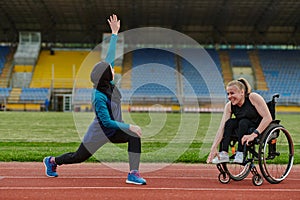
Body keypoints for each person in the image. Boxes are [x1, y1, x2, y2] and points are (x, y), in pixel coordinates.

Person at [43, 14, 146, 185]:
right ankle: (52, 161)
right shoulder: (98, 96)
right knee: (78, 157)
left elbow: (110, 58)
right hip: (100, 132)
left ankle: (133, 173)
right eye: (111, 69)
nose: (113, 69)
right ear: (106, 76)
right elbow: (106, 122)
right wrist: (129, 125)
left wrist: (114, 34)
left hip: (114, 129)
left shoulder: (107, 82)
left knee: (134, 136)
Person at [206, 78, 272, 164]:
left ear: (242, 92)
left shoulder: (253, 97)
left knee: (243, 122)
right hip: (242, 127)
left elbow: (268, 118)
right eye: (228, 94)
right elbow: (222, 128)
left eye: (232, 93)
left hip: (257, 126)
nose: (229, 97)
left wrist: (254, 134)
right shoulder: (229, 106)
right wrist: (213, 147)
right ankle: (224, 153)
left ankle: (240, 153)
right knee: (229, 123)